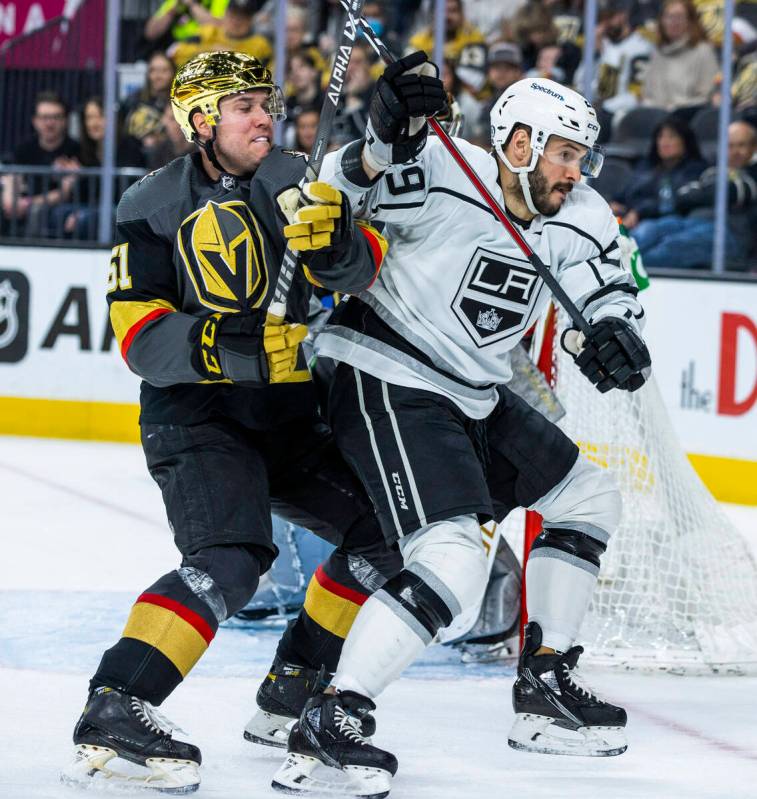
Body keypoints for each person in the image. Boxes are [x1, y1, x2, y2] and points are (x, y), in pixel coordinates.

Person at [272, 57, 651, 796]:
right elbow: (341, 195)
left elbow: (600, 290)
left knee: (587, 497)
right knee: (452, 557)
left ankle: (543, 683)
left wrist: (611, 334)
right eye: (563, 154)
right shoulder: (446, 167)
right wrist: (384, 135)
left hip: (475, 390)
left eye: (581, 156)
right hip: (388, 367)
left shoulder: (581, 214)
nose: (575, 171)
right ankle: (330, 719)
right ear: (517, 144)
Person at [60, 50, 402, 793]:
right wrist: (231, 345)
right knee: (231, 557)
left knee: (386, 527)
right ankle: (117, 702)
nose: (264, 116)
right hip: (198, 415)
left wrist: (333, 239)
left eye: (266, 103)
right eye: (244, 105)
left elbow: (364, 266)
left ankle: (294, 685)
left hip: (288, 413)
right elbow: (141, 336)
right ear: (201, 119)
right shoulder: (149, 202)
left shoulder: (296, 180)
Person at [632, 120, 757, 270]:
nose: (735, 151)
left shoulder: (753, 174)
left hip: (728, 233)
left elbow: (728, 191)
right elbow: (682, 197)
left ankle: (626, 270)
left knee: (674, 245)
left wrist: (703, 192)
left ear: (754, 147)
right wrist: (707, 193)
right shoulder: (712, 171)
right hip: (690, 221)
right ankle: (612, 262)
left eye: (741, 145)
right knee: (650, 229)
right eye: (730, 146)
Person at [50, 97, 146, 240]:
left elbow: (122, 191)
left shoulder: (130, 147)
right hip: (91, 207)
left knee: (85, 219)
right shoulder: (83, 150)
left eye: (100, 116)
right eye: (89, 118)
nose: (93, 123)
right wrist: (75, 177)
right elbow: (83, 195)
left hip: (122, 208)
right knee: (58, 214)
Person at [1, 91, 80, 236]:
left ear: (65, 120)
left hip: (53, 209)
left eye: (56, 117)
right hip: (21, 207)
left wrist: (29, 203)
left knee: (39, 212)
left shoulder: (76, 150)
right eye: (44, 117)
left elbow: (66, 192)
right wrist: (9, 200)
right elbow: (11, 177)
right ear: (35, 121)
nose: (49, 123)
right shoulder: (23, 149)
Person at [610, 114, 707, 231]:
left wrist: (638, 212)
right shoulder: (647, 165)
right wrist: (615, 203)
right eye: (660, 137)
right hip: (630, 218)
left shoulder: (694, 169)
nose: (664, 142)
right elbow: (626, 192)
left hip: (665, 222)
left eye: (671, 137)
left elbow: (672, 201)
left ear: (685, 141)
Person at [642, 0, 719, 115]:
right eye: (669, 17)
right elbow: (648, 94)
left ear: (690, 21)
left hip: (688, 116)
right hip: (655, 115)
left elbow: (706, 96)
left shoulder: (703, 51)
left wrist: (675, 109)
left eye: (679, 17)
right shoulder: (657, 53)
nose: (673, 22)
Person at [170, 0, 272, 68]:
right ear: (225, 15)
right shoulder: (209, 32)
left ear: (250, 20)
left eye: (243, 17)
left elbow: (266, 74)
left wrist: (234, 56)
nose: (237, 21)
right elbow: (175, 53)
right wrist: (209, 50)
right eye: (233, 15)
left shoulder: (261, 45)